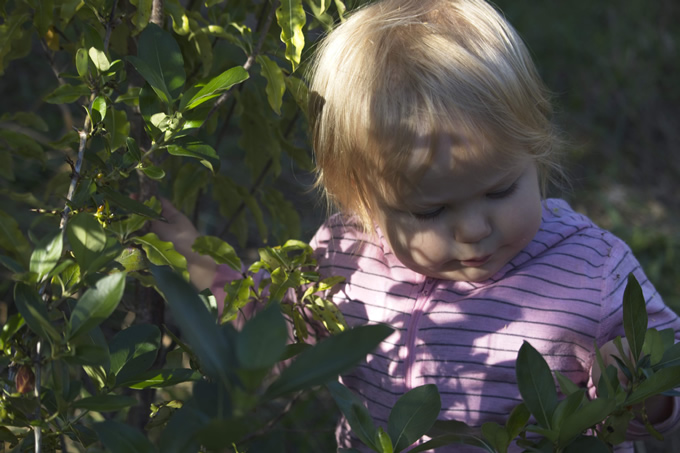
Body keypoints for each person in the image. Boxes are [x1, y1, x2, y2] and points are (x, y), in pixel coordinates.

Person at [154, 0, 680, 451]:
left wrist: (642, 385)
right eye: (430, 212)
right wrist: (199, 264)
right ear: (363, 204)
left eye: (500, 190)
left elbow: (668, 362)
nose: (474, 228)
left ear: (536, 155)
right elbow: (269, 336)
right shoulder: (344, 258)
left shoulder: (589, 269)